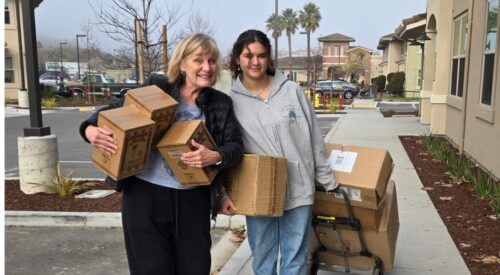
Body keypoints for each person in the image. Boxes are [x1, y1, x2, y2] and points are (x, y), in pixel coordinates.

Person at [79, 33, 243, 275]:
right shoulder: (157, 87)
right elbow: (115, 109)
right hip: (145, 197)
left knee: (194, 268)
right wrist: (90, 129)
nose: (207, 67)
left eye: (211, 61)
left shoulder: (220, 103)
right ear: (182, 63)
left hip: (193, 200)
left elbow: (235, 146)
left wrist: (214, 156)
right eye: (199, 60)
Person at [222, 29, 338, 275]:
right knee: (263, 260)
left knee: (294, 260)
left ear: (269, 58)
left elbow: (314, 136)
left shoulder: (292, 91)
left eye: (261, 55)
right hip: (259, 190)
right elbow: (229, 147)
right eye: (248, 55)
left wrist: (326, 178)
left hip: (299, 186)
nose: (255, 62)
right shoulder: (230, 102)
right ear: (237, 59)